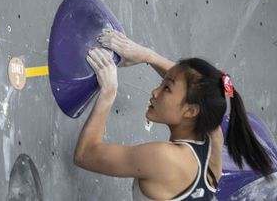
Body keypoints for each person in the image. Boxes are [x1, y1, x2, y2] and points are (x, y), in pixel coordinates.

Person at [73, 29, 273, 200]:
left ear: (191, 111)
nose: (155, 92)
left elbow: (85, 155)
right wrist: (147, 56)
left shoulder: (163, 158)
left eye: (166, 88)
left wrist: (108, 92)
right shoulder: (213, 144)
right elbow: (203, 95)